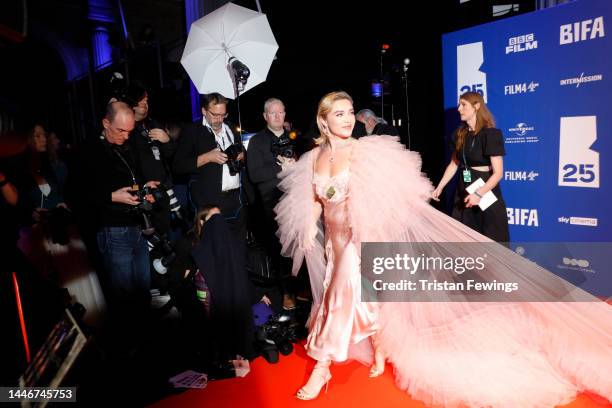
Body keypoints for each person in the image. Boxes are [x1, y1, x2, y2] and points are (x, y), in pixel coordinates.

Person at [275, 91, 612, 404]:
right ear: (324, 121)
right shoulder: (312, 159)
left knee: (339, 296)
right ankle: (380, 346)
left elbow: (387, 201)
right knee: (363, 294)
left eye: (350, 112)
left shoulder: (364, 153)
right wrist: (307, 227)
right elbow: (317, 201)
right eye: (339, 114)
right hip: (334, 242)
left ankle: (322, 366)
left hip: (359, 237)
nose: (348, 119)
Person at [432, 92, 509, 242]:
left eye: (464, 105)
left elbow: (498, 173)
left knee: (491, 236)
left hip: (485, 188)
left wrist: (479, 194)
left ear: (477, 106)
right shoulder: (459, 134)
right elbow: (454, 164)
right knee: (465, 236)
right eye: (459, 105)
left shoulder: (490, 134)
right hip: (464, 187)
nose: (459, 109)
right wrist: (440, 187)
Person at [173, 93, 246, 241]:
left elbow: (241, 152)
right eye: (215, 115)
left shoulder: (231, 127)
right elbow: (178, 166)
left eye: (223, 114)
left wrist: (242, 155)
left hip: (235, 199)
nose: (219, 119)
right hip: (208, 201)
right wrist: (207, 157)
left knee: (237, 245)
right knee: (213, 246)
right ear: (204, 111)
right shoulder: (192, 131)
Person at [246, 98, 296, 310]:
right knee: (278, 251)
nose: (277, 116)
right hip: (270, 203)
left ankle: (296, 290)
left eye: (280, 112)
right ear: (265, 116)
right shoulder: (257, 141)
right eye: (272, 113)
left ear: (285, 114)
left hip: (295, 200)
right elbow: (255, 175)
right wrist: (282, 170)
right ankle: (284, 293)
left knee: (297, 250)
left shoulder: (292, 139)